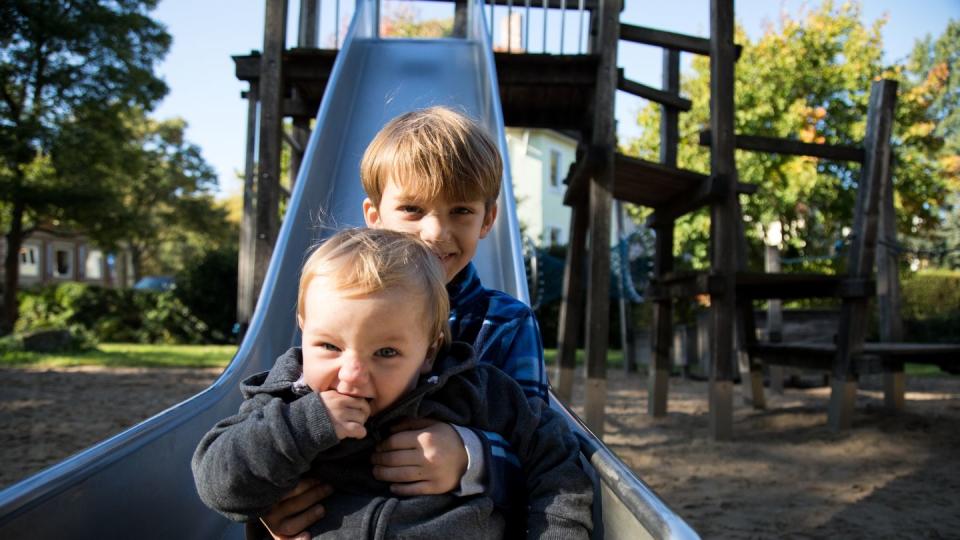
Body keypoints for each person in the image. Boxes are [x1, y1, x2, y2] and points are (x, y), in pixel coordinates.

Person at [262, 107, 551, 539]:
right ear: (375, 215)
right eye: (413, 209)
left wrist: (472, 457)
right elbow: (274, 427)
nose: (435, 232)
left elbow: (545, 456)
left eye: (460, 211)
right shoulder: (337, 307)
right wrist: (267, 506)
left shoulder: (503, 324)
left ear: (487, 219)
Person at [192, 228, 592, 539]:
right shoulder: (283, 401)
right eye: (329, 346)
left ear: (429, 352)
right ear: (303, 330)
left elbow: (558, 463)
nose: (351, 375)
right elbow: (219, 486)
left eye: (385, 353)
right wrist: (300, 429)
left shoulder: (473, 392)